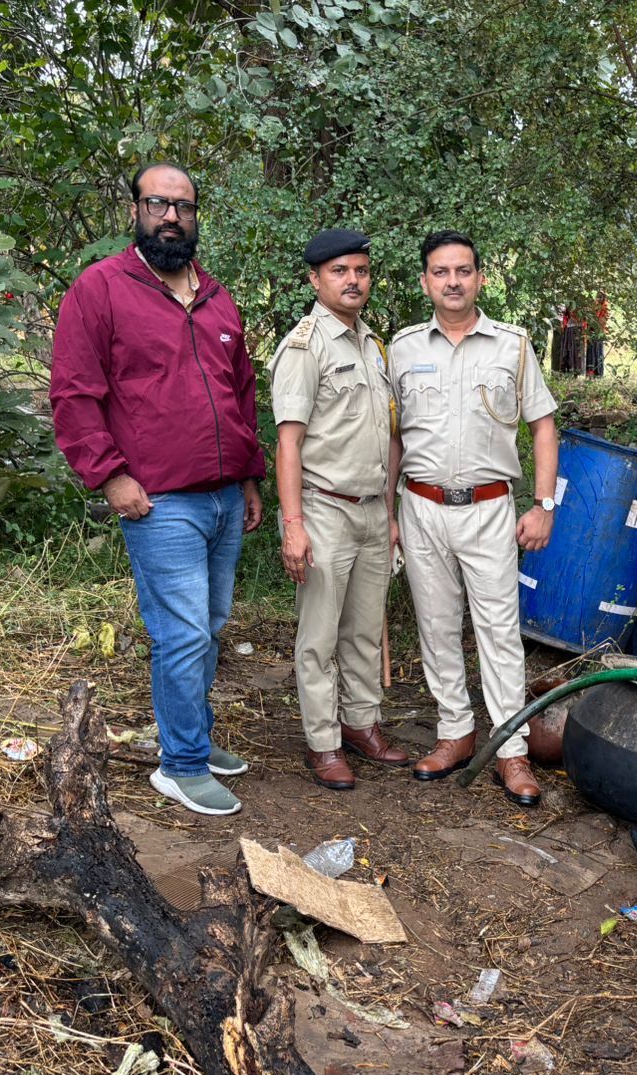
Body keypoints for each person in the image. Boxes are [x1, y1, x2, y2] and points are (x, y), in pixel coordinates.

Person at [50, 163, 265, 817]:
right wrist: (110, 475)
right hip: (160, 499)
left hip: (225, 496)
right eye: (157, 204)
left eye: (183, 206)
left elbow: (242, 393)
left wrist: (250, 479)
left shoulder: (218, 298)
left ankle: (189, 736)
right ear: (136, 211)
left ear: (196, 216)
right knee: (183, 634)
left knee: (211, 627)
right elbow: (72, 394)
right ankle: (181, 765)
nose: (171, 216)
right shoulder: (101, 290)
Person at [388, 230, 559, 806]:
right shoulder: (404, 348)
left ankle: (510, 751)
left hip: (489, 508)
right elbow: (392, 437)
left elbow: (542, 425)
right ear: (425, 282)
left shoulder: (511, 345)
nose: (453, 281)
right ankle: (455, 733)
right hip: (420, 507)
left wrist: (543, 504)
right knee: (436, 627)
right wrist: (390, 510)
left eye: (463, 271)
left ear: (481, 278)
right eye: (441, 272)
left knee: (499, 633)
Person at [271, 228, 407, 790]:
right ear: (315, 278)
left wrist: (392, 512)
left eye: (361, 270)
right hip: (324, 510)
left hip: (374, 510)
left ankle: (361, 723)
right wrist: (294, 525)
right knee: (320, 637)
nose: (353, 280)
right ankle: (323, 742)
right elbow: (288, 444)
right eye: (339, 271)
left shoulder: (373, 344)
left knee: (362, 632)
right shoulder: (305, 346)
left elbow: (390, 435)